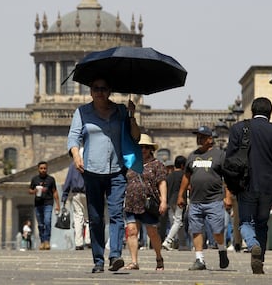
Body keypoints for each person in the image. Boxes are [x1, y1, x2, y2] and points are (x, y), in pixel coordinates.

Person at [67, 78, 140, 273]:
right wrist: (76, 154)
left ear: (109, 91)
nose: (100, 92)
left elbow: (136, 137)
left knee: (116, 214)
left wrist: (132, 116)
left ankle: (115, 255)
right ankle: (98, 259)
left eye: (104, 88)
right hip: (92, 170)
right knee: (96, 216)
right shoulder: (82, 112)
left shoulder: (121, 111)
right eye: (96, 88)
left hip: (117, 170)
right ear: (90, 91)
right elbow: (74, 136)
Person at [226, 97, 272, 274]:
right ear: (270, 113)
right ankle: (259, 261)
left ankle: (253, 245)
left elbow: (229, 159)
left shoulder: (238, 129)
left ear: (252, 111)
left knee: (246, 221)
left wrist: (231, 186)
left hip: (246, 184)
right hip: (270, 186)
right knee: (262, 223)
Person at [177, 125, 232, 271]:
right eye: (197, 136)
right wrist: (180, 195)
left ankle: (221, 250)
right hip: (195, 200)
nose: (198, 139)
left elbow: (226, 178)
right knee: (196, 230)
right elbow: (186, 177)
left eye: (201, 136)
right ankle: (199, 259)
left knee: (217, 231)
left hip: (214, 199)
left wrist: (228, 197)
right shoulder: (192, 156)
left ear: (210, 139)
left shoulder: (220, 155)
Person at [123, 134, 167, 271]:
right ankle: (134, 262)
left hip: (148, 204)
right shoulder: (129, 163)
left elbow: (162, 183)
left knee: (152, 232)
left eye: (146, 147)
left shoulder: (157, 164)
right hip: (131, 202)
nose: (143, 150)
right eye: (140, 147)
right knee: (131, 231)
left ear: (150, 149)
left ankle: (159, 257)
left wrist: (163, 201)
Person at [28, 161, 60, 250]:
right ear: (38, 169)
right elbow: (30, 190)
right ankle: (42, 241)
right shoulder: (35, 179)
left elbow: (55, 191)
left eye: (45, 168)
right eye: (41, 168)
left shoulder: (51, 179)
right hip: (38, 204)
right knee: (41, 224)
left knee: (47, 221)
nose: (43, 170)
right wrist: (35, 191)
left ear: (47, 169)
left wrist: (58, 204)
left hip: (48, 203)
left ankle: (47, 241)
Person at [61, 159, 91, 250]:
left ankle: (79, 243)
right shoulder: (90, 161)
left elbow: (68, 180)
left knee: (78, 217)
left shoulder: (73, 165)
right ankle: (88, 240)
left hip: (76, 194)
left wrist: (64, 195)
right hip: (89, 193)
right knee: (89, 217)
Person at [162, 155, 188, 251]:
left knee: (178, 222)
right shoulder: (183, 175)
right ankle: (168, 241)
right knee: (178, 222)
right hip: (179, 201)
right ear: (182, 165)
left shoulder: (170, 176)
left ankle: (182, 244)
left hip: (170, 201)